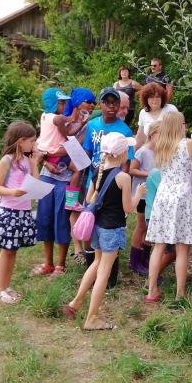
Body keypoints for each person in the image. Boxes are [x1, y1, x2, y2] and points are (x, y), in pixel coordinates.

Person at [61, 132, 145, 330]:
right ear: (122, 153)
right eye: (128, 150)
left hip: (97, 227)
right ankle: (92, 318)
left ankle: (76, 303)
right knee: (104, 272)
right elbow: (128, 209)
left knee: (97, 263)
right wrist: (138, 194)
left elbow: (89, 200)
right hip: (112, 228)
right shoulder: (123, 177)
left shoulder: (98, 169)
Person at [145, 112, 192, 303]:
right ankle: (180, 293)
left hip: (163, 195)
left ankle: (151, 290)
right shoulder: (187, 144)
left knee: (159, 246)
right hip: (181, 197)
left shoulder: (160, 145)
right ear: (180, 125)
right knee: (182, 247)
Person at [81, 88, 136, 282]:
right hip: (94, 182)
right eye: (107, 102)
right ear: (101, 104)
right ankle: (92, 268)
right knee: (92, 225)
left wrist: (123, 187)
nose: (111, 105)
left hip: (114, 184)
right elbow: (87, 153)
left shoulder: (124, 130)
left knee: (111, 225)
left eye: (115, 102)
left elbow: (127, 163)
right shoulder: (92, 125)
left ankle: (110, 275)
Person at [0, 121, 40, 304]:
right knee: (6, 251)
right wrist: (12, 192)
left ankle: (6, 286)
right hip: (8, 211)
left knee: (13, 251)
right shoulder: (7, 161)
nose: (34, 144)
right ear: (21, 141)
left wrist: (35, 163)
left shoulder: (27, 161)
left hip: (23, 210)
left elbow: (35, 182)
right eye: (32, 141)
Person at [32, 88, 75, 278]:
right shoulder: (48, 118)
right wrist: (47, 161)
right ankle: (48, 262)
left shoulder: (75, 123)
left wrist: (51, 154)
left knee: (61, 219)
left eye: (66, 102)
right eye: (60, 102)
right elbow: (39, 149)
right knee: (44, 217)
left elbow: (71, 146)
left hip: (65, 177)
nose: (64, 106)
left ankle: (60, 264)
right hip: (47, 174)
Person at [62, 88, 97, 265]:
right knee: (73, 208)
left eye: (93, 103)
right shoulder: (65, 120)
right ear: (77, 102)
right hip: (66, 171)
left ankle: (86, 247)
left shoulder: (92, 121)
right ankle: (77, 249)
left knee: (82, 208)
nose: (91, 105)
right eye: (87, 102)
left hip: (84, 170)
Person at [128, 121, 158, 276]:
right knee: (141, 227)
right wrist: (150, 174)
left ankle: (145, 258)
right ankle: (134, 261)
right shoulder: (142, 151)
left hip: (153, 195)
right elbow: (132, 169)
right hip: (142, 195)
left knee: (149, 227)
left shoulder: (159, 152)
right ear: (152, 134)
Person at [135, 82, 178, 147]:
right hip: (151, 150)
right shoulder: (143, 112)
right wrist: (136, 153)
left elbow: (180, 131)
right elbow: (140, 136)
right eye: (151, 97)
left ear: (162, 98)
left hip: (170, 149)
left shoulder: (171, 109)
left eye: (157, 97)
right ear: (146, 99)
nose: (155, 100)